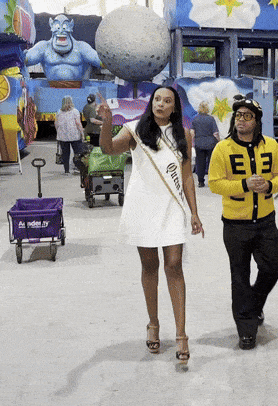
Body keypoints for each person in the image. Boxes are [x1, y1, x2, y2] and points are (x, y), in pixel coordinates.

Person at [97, 86, 204, 363]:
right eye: (157, 99)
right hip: (142, 206)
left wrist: (194, 212)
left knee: (174, 265)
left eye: (167, 101)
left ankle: (181, 333)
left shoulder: (184, 135)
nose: (160, 104)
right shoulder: (135, 130)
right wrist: (108, 122)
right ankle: (153, 323)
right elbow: (108, 149)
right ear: (151, 102)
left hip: (171, 206)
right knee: (149, 266)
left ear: (174, 107)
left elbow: (187, 176)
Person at [208, 95, 278, 350]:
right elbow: (214, 183)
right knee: (240, 276)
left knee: (272, 267)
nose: (241, 120)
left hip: (266, 222)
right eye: (238, 115)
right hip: (235, 225)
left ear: (257, 121)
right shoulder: (223, 149)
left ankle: (254, 304)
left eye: (247, 116)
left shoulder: (271, 146)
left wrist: (270, 185)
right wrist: (244, 184)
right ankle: (246, 329)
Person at [190, 101, 220, 187]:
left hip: (199, 144)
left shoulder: (195, 119)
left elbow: (192, 132)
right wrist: (219, 141)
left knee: (200, 163)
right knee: (212, 163)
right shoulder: (211, 119)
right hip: (211, 144)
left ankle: (201, 182)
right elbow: (215, 133)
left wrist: (192, 142)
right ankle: (212, 181)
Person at [54, 96, 85, 175]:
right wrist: (82, 133)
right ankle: (77, 168)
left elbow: (56, 124)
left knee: (65, 154)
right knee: (78, 153)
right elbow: (78, 123)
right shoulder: (75, 111)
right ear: (71, 102)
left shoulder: (59, 112)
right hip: (74, 136)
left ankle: (66, 171)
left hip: (63, 136)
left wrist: (58, 132)